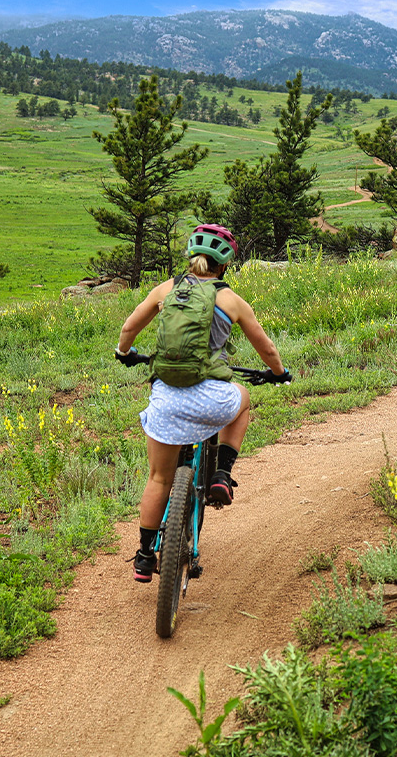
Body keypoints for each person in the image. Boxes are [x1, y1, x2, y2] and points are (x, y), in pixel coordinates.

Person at [113, 224, 290, 583]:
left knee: (159, 478)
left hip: (166, 399)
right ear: (224, 266)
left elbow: (130, 327)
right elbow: (267, 349)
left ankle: (145, 556)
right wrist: (279, 373)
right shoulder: (230, 300)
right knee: (243, 399)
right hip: (212, 399)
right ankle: (222, 472)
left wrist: (124, 353)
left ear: (190, 257)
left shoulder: (166, 290)